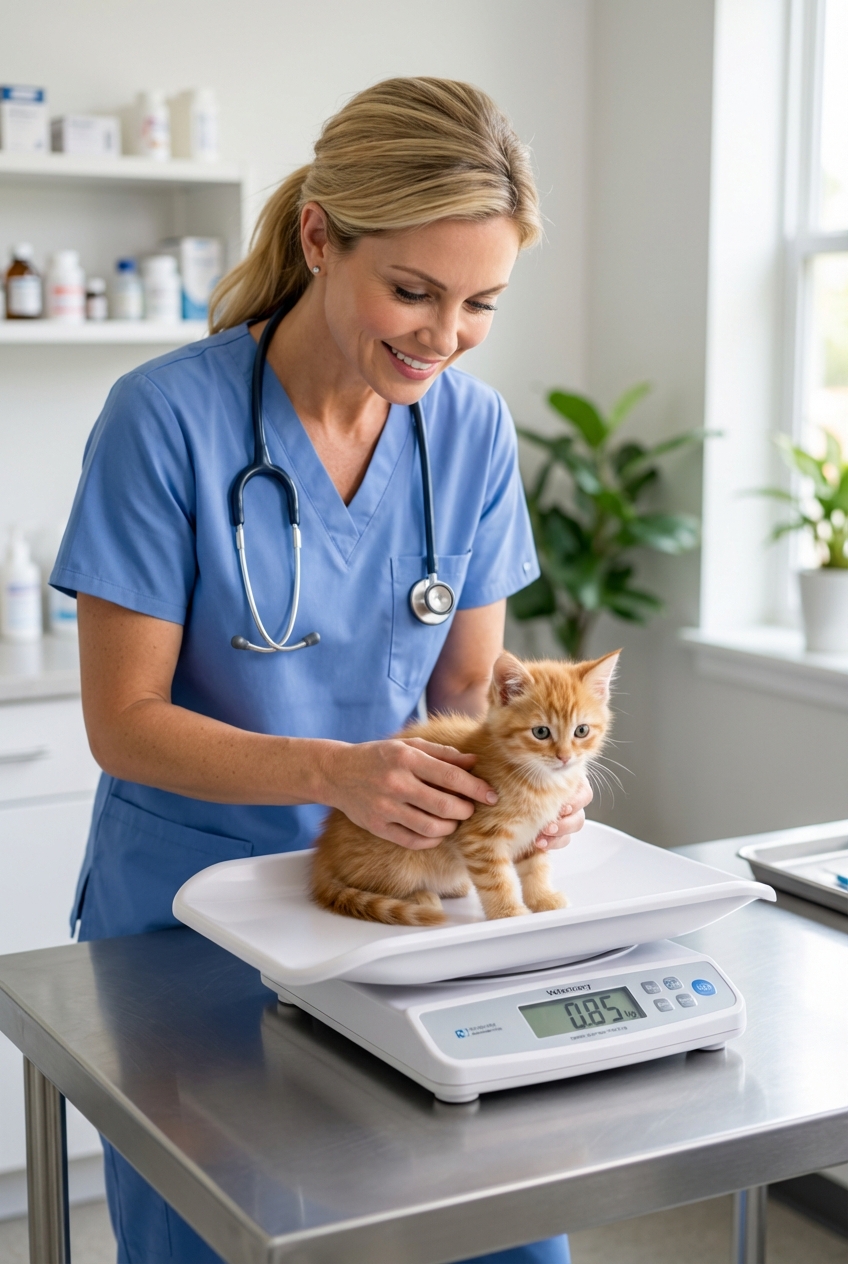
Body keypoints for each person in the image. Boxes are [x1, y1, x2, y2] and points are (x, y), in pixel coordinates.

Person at [53, 77, 590, 1264]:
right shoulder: (165, 421)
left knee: (493, 1231)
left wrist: (532, 781)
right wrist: (338, 769)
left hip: (407, 908)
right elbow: (124, 721)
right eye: (411, 290)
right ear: (317, 238)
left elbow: (469, 690)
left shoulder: (470, 430)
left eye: (479, 304)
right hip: (193, 923)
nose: (440, 338)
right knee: (225, 1233)